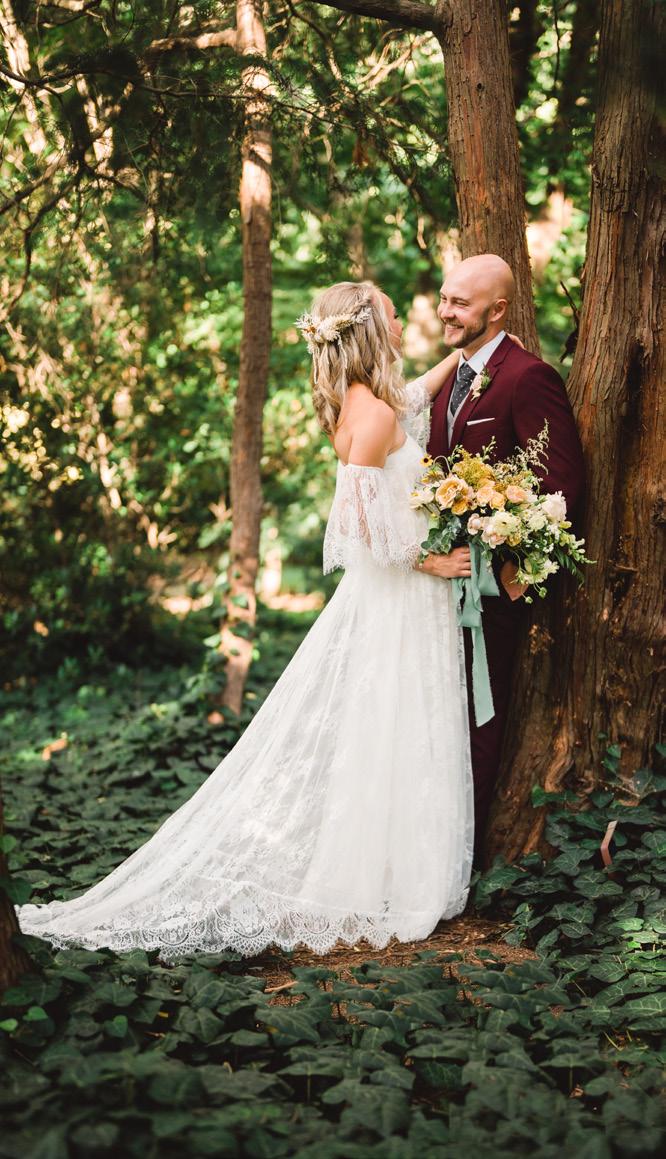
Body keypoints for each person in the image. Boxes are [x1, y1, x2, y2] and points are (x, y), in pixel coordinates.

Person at [18, 281, 475, 960]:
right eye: (389, 315)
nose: (402, 325)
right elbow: (358, 529)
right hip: (398, 601)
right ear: (370, 334)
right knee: (395, 725)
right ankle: (384, 874)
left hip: (390, 602)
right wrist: (432, 562)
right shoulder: (375, 415)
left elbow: (410, 398)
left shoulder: (363, 402)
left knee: (387, 726)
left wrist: (462, 358)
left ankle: (386, 863)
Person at [427, 254, 585, 863]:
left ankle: (459, 863)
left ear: (497, 311)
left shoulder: (528, 377)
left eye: (460, 303)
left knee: (478, 724)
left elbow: (560, 488)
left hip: (491, 595)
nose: (445, 311)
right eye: (445, 298)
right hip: (437, 586)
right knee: (437, 719)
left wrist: (510, 572)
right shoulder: (450, 376)